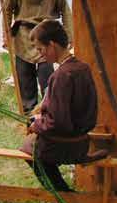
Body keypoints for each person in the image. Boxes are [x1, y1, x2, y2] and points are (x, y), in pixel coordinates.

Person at [21, 19, 102, 192]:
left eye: (41, 49)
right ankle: (63, 195)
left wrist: (36, 124)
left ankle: (63, 196)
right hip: (82, 142)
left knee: (27, 147)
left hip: (65, 146)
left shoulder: (61, 76)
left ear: (52, 45)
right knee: (33, 143)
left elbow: (57, 122)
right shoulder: (83, 68)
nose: (40, 55)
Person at [4, 0, 72, 113]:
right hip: (23, 36)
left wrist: (69, 36)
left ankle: (49, 111)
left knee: (47, 77)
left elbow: (65, 10)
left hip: (46, 36)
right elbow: (7, 8)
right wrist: (6, 34)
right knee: (24, 78)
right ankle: (29, 114)